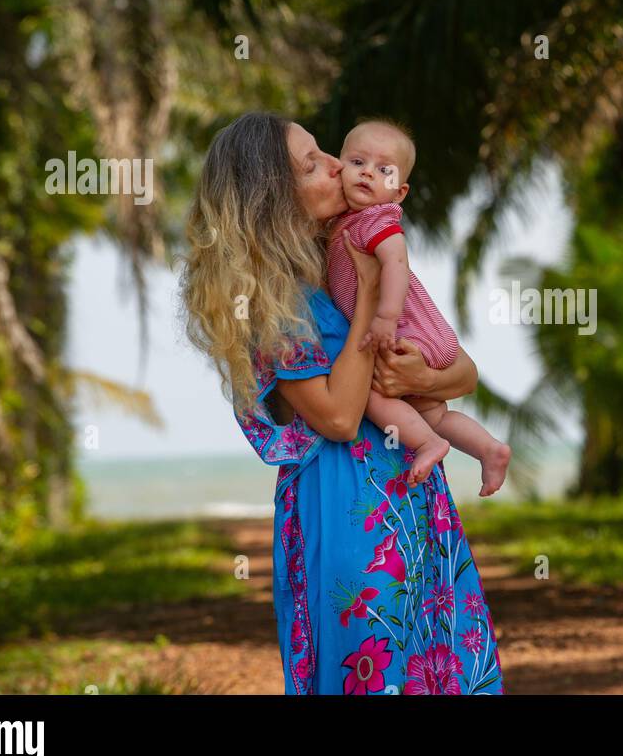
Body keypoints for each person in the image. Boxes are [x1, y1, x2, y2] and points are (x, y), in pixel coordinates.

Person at [180, 112, 506, 695]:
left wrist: (420, 377)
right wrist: (369, 310)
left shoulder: (348, 256)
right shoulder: (270, 302)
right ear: (274, 199)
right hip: (346, 505)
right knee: (370, 665)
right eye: (313, 165)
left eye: (325, 152)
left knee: (434, 664)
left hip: (410, 491)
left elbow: (461, 371)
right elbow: (336, 417)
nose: (337, 165)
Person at [327, 118, 512, 495]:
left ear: (399, 192)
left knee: (371, 393)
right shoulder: (343, 222)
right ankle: (488, 449)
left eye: (384, 170)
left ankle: (427, 444)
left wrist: (385, 318)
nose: (367, 174)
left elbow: (397, 263)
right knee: (434, 413)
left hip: (407, 331)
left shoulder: (375, 219)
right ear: (339, 166)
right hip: (420, 338)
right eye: (357, 162)